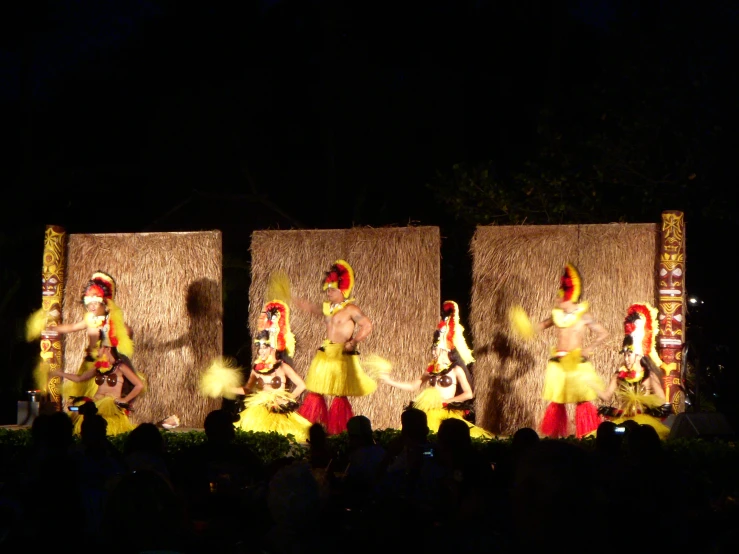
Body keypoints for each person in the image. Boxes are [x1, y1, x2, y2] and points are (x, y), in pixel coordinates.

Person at [510, 262, 608, 438]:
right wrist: (524, 325)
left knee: (582, 402)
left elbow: (603, 333)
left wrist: (589, 348)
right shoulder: (556, 316)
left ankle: (587, 437)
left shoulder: (584, 316)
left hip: (576, 364)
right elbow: (538, 327)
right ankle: (554, 439)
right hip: (558, 365)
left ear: (568, 296)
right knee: (557, 402)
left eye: (559, 296)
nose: (556, 299)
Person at [200, 300, 312, 442]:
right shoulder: (257, 369)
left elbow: (301, 385)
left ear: (272, 348)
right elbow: (248, 389)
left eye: (264, 347)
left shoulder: (282, 367)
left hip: (278, 411)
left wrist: (286, 400)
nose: (260, 351)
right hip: (259, 410)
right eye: (259, 347)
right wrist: (228, 389)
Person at [378, 301, 493, 438]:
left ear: (445, 350)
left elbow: (468, 394)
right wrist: (390, 381)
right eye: (433, 349)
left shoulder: (456, 369)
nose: (433, 352)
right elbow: (413, 386)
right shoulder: (431, 370)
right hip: (431, 408)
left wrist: (447, 402)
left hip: (447, 409)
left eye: (436, 349)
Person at [294, 259, 376, 434]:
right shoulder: (328, 308)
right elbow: (313, 309)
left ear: (342, 290)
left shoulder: (351, 309)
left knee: (339, 395)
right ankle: (311, 429)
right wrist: (296, 301)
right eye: (327, 289)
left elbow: (367, 325)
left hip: (341, 355)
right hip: (325, 353)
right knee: (315, 391)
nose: (328, 292)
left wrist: (354, 341)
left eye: (331, 289)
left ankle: (339, 431)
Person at [32, 271, 134, 402]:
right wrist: (54, 328)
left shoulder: (111, 321)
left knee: (98, 395)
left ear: (105, 303)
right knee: (85, 393)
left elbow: (128, 332)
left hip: (104, 363)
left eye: (95, 303)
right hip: (90, 362)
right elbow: (72, 327)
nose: (91, 307)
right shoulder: (90, 319)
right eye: (89, 304)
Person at [597, 302, 671, 439]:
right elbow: (606, 396)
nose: (626, 358)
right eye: (624, 354)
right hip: (624, 420)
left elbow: (661, 401)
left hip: (644, 423)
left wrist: (658, 408)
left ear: (638, 355)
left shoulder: (648, 376)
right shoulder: (619, 375)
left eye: (629, 354)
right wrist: (590, 384)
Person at [49, 344, 145, 435]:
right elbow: (80, 378)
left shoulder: (120, 367)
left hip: (110, 406)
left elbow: (139, 385)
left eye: (99, 348)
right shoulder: (99, 367)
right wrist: (60, 373)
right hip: (96, 402)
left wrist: (124, 400)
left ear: (108, 349)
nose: (97, 351)